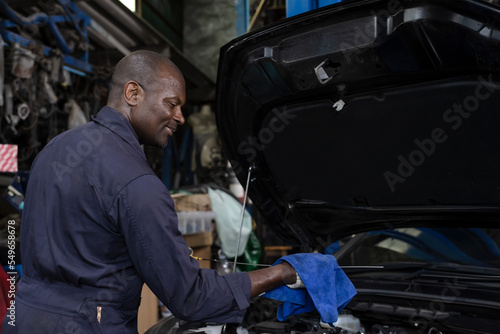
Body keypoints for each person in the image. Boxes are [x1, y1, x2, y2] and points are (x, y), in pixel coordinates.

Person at [2, 50, 297, 333]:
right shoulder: (138, 183)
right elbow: (190, 297)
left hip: (21, 318)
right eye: (172, 103)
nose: (180, 117)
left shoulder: (54, 149)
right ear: (133, 94)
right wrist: (281, 272)